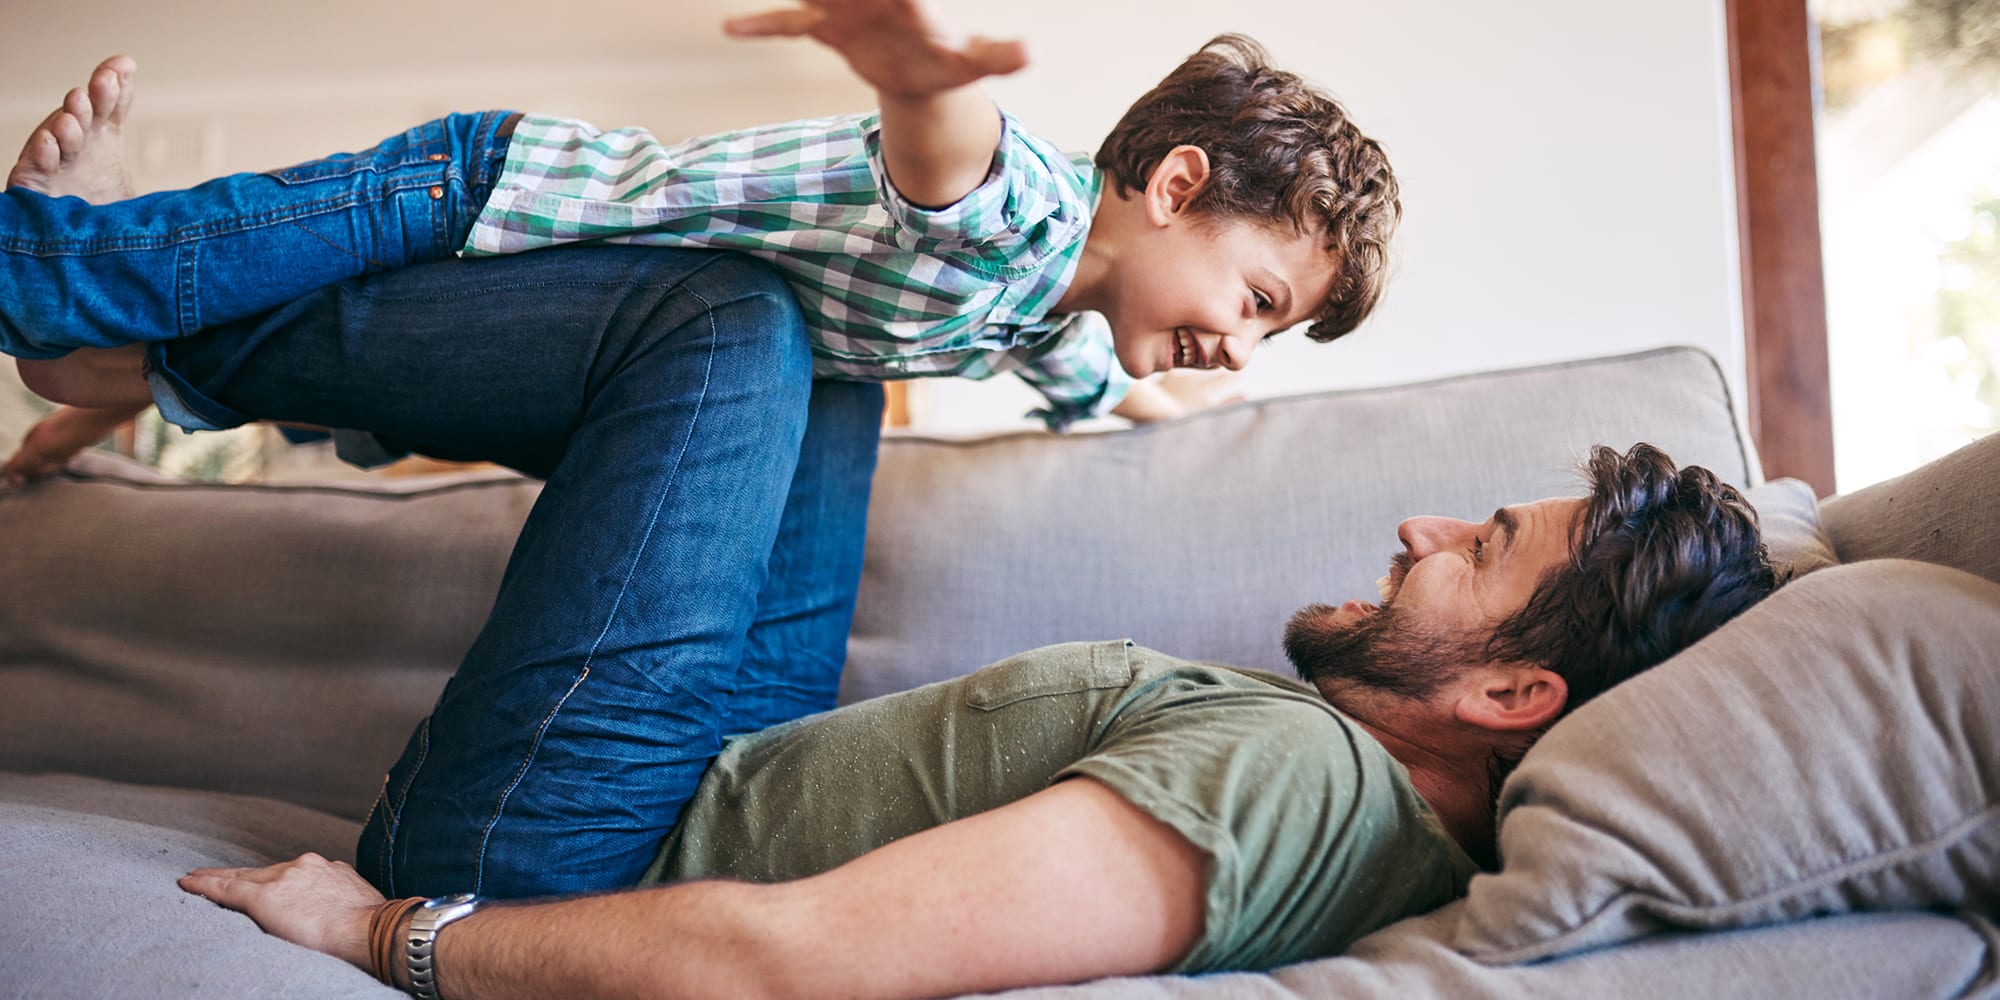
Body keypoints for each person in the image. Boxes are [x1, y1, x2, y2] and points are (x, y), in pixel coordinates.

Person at [177, 441, 1780, 998]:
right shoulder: (1337, 780)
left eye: (1483, 548)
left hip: (556, 848)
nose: (1423, 529)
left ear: (1511, 695)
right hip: (688, 770)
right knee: (830, 333)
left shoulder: (1294, 775)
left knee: (728, 323)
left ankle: (124, 328)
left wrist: (388, 932)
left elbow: (783, 960)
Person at [0, 2, 1400, 487]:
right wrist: (917, 68)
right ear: (1172, 183)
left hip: (548, 319)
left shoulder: (1048, 325)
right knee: (184, 264)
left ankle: (92, 388)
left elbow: (1099, 394)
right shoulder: (1023, 209)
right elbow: (945, 154)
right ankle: (75, 240)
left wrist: (1168, 403)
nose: (1242, 342)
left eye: (1270, 336)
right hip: (484, 196)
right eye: (1257, 296)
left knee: (294, 384)